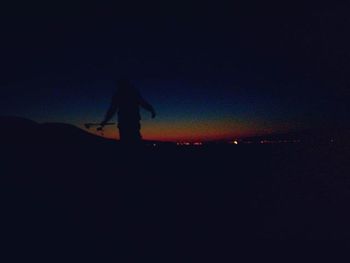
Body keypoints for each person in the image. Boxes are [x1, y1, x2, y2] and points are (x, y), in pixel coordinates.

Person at [100, 79, 156, 144]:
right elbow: (142, 102)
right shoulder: (131, 93)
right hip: (130, 121)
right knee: (133, 141)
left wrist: (105, 120)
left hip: (127, 122)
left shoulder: (119, 94)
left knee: (128, 141)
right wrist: (151, 109)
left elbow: (112, 110)